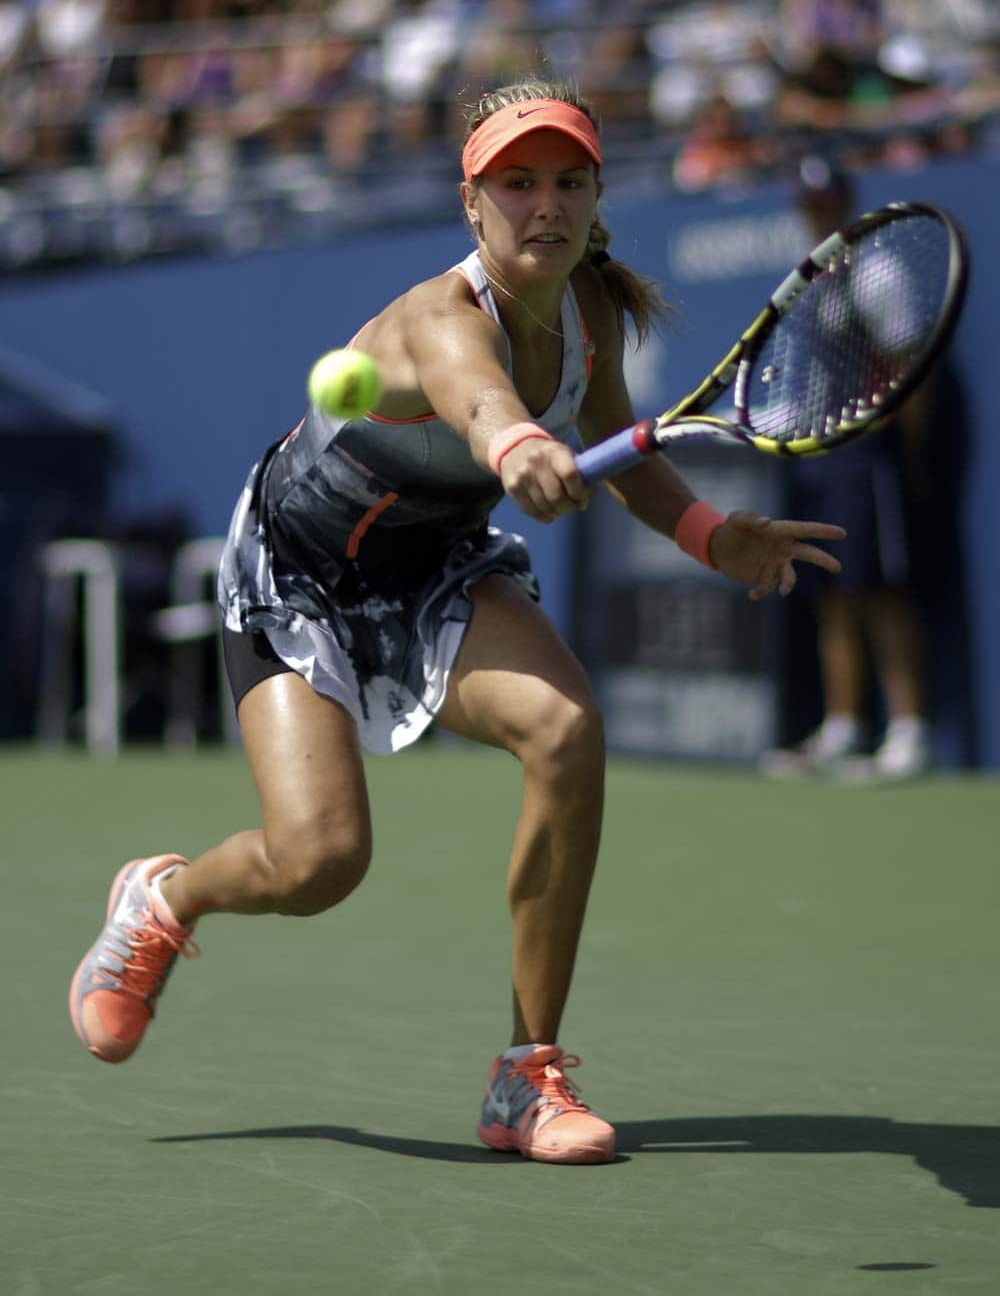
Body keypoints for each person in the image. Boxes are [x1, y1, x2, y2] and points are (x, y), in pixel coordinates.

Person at [69, 78, 845, 1166]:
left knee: (567, 730)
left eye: (568, 181)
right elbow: (482, 403)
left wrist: (716, 535)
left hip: (431, 564)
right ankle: (164, 898)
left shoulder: (595, 312)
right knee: (321, 862)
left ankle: (526, 1075)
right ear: (470, 205)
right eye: (516, 183)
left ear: (595, 196)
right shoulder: (441, 318)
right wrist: (520, 449)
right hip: (299, 569)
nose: (546, 206)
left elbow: (631, 455)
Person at [760, 156, 932, 783]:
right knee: (832, 592)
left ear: (846, 201)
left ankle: (909, 730)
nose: (817, 215)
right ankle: (844, 725)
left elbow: (910, 371)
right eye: (808, 205)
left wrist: (909, 452)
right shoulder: (807, 278)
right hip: (821, 457)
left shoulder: (877, 271)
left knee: (880, 588)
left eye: (826, 203)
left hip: (869, 456)